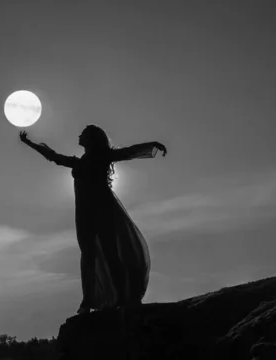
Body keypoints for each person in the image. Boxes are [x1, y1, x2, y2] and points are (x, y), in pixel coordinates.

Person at [20, 125, 166, 315]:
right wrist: (29, 143)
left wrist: (152, 145)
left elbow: (128, 152)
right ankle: (88, 300)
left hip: (103, 209)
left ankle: (123, 297)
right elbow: (55, 157)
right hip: (84, 213)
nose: (79, 135)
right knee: (88, 256)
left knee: (110, 253)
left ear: (91, 138)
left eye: (83, 133)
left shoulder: (103, 155)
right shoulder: (80, 162)